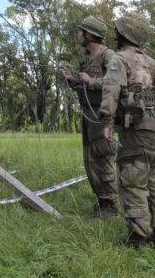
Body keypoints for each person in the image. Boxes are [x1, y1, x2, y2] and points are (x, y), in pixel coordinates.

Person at [99, 12, 155, 249]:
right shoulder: (152, 63)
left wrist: (107, 123)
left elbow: (111, 90)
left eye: (117, 31)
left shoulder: (118, 60)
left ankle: (137, 237)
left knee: (132, 182)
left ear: (123, 34)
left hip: (137, 130)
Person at [59, 16, 119, 219]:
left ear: (89, 34)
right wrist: (72, 81)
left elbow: (116, 82)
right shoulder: (86, 59)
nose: (78, 35)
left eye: (80, 31)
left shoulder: (108, 55)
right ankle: (103, 201)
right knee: (91, 161)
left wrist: (91, 81)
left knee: (103, 158)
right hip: (88, 115)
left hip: (102, 115)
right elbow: (84, 88)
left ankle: (111, 206)